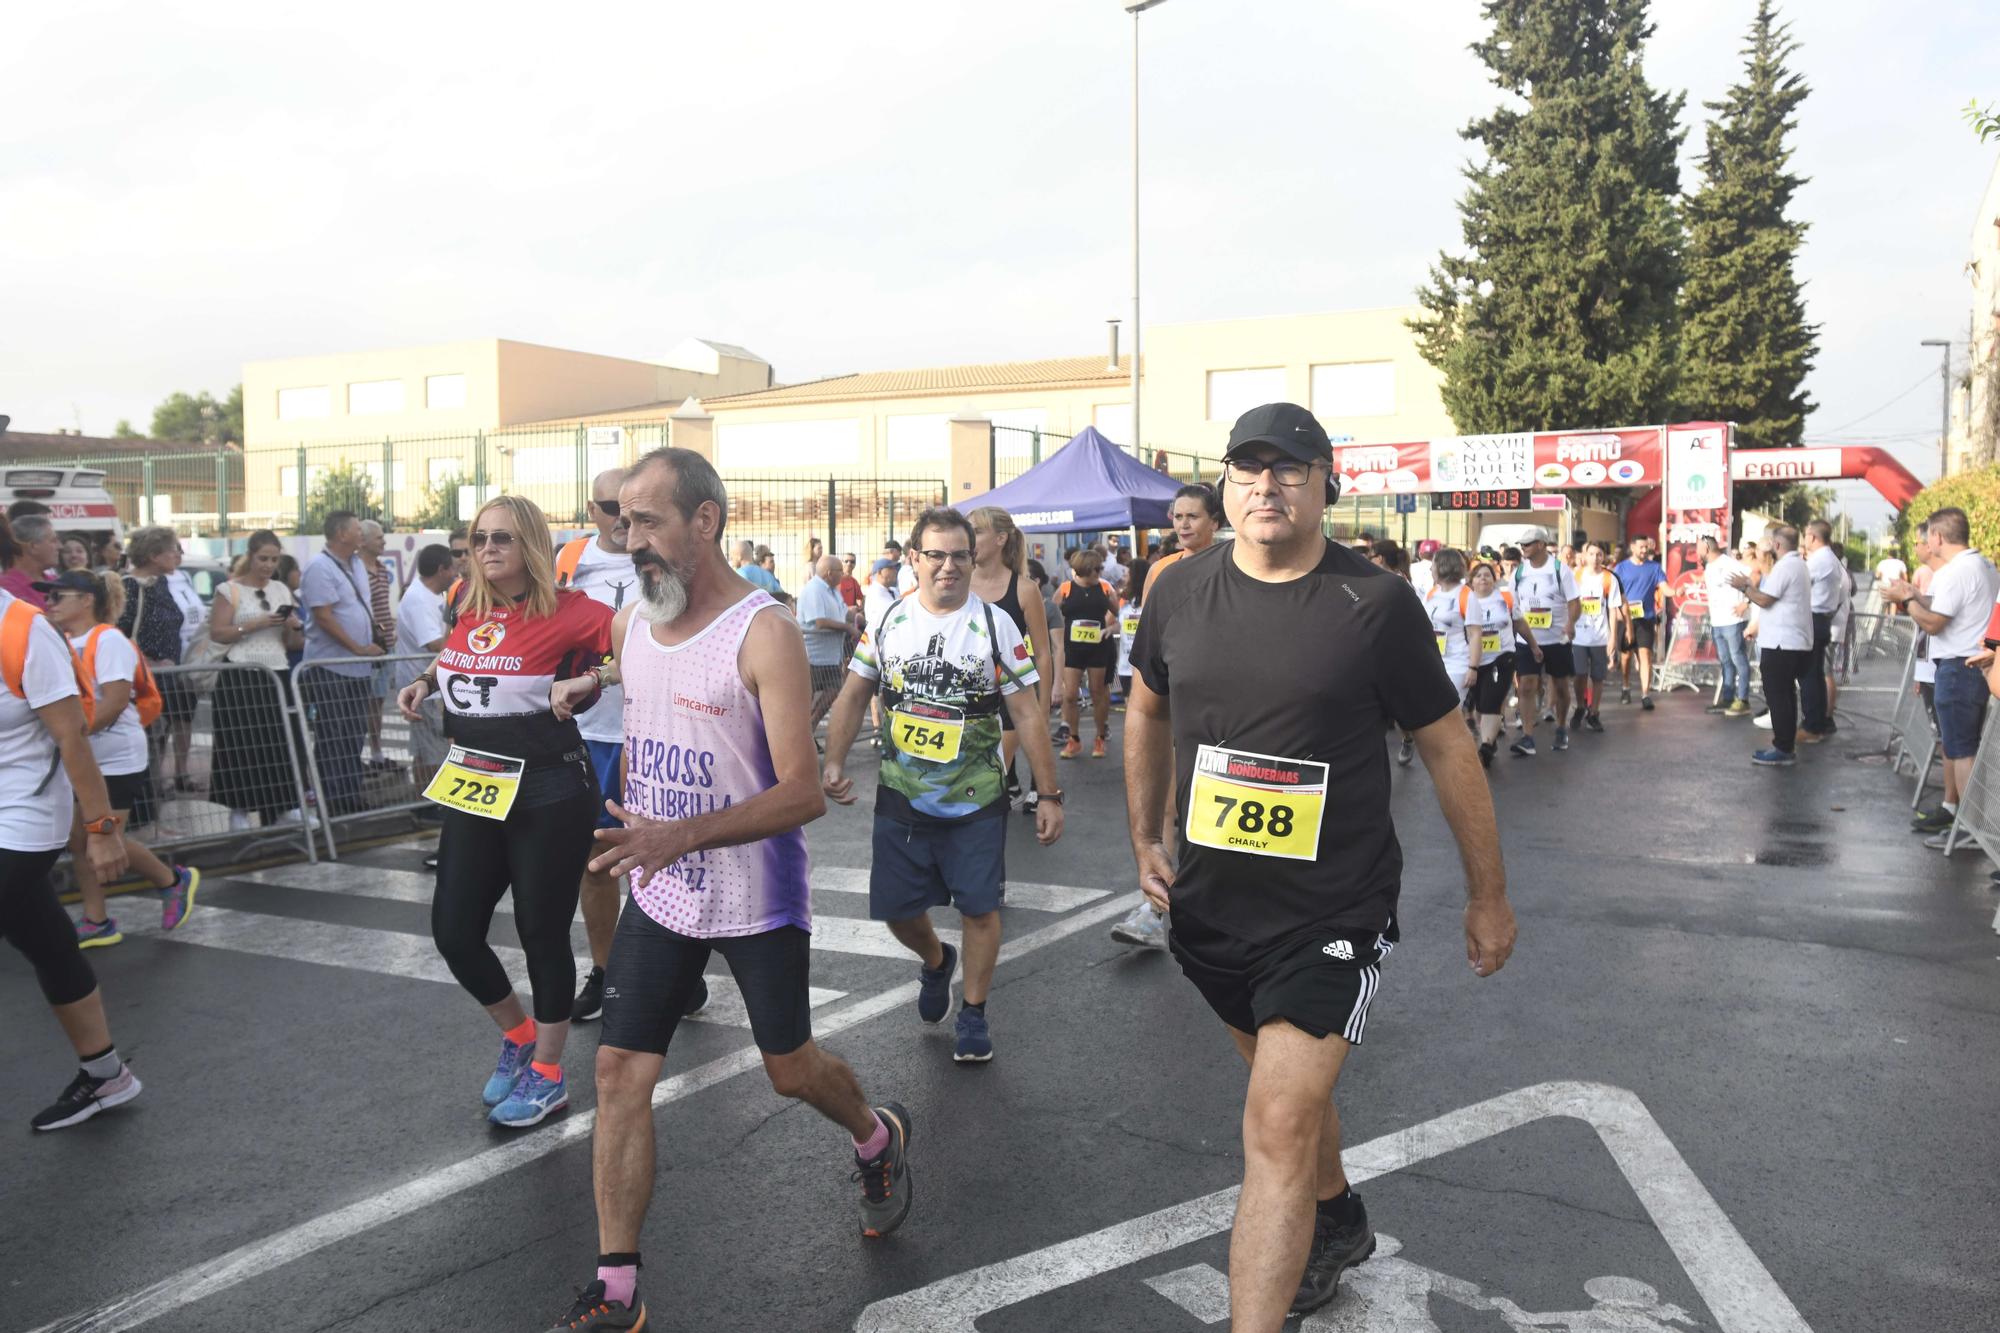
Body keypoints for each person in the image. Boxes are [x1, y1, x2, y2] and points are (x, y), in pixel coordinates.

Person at [1124, 402, 1515, 1329]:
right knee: (1284, 1091)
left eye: (1289, 469)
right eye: (1248, 468)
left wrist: (1487, 894)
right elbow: (1146, 710)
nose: (1267, 485)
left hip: (1333, 909)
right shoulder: (1178, 591)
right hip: (1212, 911)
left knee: (1276, 1121)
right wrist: (1144, 835)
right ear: (1226, 484)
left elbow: (1451, 747)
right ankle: (1336, 1220)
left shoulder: (1372, 604)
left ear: (1324, 486)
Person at [551, 449, 916, 1328]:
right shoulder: (631, 624)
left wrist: (676, 830)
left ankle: (875, 1134)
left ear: (704, 521)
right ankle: (618, 1289)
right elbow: (646, 722)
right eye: (618, 518)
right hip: (662, 890)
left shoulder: (765, 632)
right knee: (615, 1074)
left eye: (645, 521)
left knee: (790, 1071)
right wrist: (638, 801)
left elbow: (800, 792)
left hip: (756, 894)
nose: (625, 537)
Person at [395, 495, 614, 1129]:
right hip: (474, 780)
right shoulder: (466, 597)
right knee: (454, 929)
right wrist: (429, 679)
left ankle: (548, 1074)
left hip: (548, 788)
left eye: (504, 539)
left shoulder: (577, 613)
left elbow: (640, 651)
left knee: (540, 931)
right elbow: (466, 652)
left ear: (533, 548)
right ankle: (518, 1036)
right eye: (480, 538)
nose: (488, 549)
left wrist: (593, 681)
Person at [822, 506, 1064, 1065]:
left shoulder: (995, 624)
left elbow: (1025, 714)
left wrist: (1048, 793)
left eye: (960, 554)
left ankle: (974, 1013)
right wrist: (833, 762)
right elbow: (856, 692)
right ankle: (936, 961)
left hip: (978, 796)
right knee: (896, 909)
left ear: (972, 556)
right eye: (936, 555)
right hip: (902, 795)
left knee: (980, 908)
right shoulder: (890, 622)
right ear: (914, 559)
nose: (949, 566)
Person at [2, 569, 149, 1132]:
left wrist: (102, 827)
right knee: (46, 941)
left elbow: (70, 734)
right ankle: (105, 1074)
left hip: (22, 815)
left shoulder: (22, 627)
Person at [42, 569, 199, 945]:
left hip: (116, 757)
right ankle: (97, 920)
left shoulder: (107, 639)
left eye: (58, 596)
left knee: (103, 836)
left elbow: (112, 702)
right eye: (49, 597)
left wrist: (72, 736)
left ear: (86, 600)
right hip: (82, 755)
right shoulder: (59, 640)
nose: (50, 604)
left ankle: (173, 880)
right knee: (83, 840)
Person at [1879, 508, 2000, 844]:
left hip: (1959, 668)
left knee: (1961, 750)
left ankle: (1970, 828)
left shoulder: (1953, 572)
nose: (1926, 541)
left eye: (1928, 535)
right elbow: (1946, 605)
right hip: (1973, 667)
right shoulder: (1981, 564)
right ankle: (1968, 822)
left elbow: (1934, 622)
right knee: (1964, 747)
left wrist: (1906, 601)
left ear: (1938, 537)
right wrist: (1916, 595)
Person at [208, 530, 307, 829]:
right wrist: (254, 625)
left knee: (280, 742)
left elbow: (292, 644)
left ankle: (281, 807)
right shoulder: (229, 590)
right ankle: (238, 810)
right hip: (240, 674)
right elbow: (218, 632)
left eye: (274, 559)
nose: (268, 565)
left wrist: (293, 626)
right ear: (250, 557)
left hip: (276, 672)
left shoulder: (280, 589)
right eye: (263, 558)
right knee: (240, 744)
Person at [968, 507, 1055, 814]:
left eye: (977, 531)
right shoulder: (958, 583)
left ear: (1001, 539)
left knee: (985, 783)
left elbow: (1043, 653)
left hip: (1009, 700)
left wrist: (1042, 708)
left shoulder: (1024, 589)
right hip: (963, 699)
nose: (970, 538)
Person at [299, 511, 384, 816]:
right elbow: (323, 617)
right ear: (341, 534)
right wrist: (358, 648)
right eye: (356, 529)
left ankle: (350, 792)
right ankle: (330, 798)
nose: (361, 534)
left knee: (353, 732)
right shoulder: (319, 567)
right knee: (332, 733)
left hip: (356, 667)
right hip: (331, 665)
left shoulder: (357, 564)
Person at [1728, 525, 1813, 766]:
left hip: (1781, 643)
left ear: (1777, 545)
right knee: (1785, 695)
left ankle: (1783, 747)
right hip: (1789, 641)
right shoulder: (1797, 565)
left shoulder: (1785, 567)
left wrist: (1745, 587)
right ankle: (1785, 744)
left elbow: (1764, 599)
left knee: (1779, 696)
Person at [1508, 529, 1579, 757]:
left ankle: (1561, 728)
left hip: (1557, 639)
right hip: (1527, 639)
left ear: (1541, 545)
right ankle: (1528, 736)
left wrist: (1570, 624)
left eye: (1528, 544)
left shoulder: (1560, 570)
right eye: (1522, 544)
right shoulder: (1518, 573)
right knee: (1527, 685)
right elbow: (1512, 604)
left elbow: (1574, 602)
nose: (1523, 548)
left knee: (1559, 686)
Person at [393, 543, 457, 787]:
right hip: (425, 689)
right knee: (433, 750)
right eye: (452, 568)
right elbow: (434, 644)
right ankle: (429, 802)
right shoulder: (420, 599)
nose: (455, 575)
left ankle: (424, 801)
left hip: (427, 687)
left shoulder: (428, 595)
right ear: (442, 569)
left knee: (428, 748)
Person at [1465, 560, 1536, 768]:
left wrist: (1533, 645)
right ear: (1472, 581)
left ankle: (1486, 746)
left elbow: (1520, 623)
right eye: (1478, 575)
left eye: (1487, 575)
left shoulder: (1505, 598)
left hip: (1502, 657)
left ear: (1494, 580)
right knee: (1481, 703)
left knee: (1492, 702)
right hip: (1475, 660)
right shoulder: (1466, 600)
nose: (1483, 578)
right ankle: (1490, 739)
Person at [1055, 546, 1120, 759]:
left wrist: (1109, 629)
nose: (1100, 573)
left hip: (1098, 648)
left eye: (1101, 569)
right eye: (1096, 569)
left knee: (1097, 692)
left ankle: (1100, 737)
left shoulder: (1104, 588)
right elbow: (1053, 616)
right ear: (1085, 569)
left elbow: (1119, 614)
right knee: (1070, 695)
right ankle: (1074, 739)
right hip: (1072, 648)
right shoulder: (1065, 589)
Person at [798, 553, 858, 726]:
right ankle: (804, 730)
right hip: (813, 655)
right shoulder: (814, 590)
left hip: (831, 656)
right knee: (805, 698)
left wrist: (862, 622)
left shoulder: (833, 591)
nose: (843, 573)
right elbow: (820, 622)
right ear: (829, 572)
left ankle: (811, 726)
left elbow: (844, 612)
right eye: (840, 570)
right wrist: (848, 628)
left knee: (833, 690)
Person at [1566, 541, 1620, 733]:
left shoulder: (1609, 579)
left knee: (1598, 677)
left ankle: (1594, 713)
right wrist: (1569, 626)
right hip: (1579, 636)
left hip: (1600, 636)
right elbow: (1569, 604)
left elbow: (1613, 609)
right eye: (1592, 554)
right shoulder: (1576, 576)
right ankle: (1581, 706)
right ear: (1585, 556)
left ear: (1603, 557)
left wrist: (1612, 637)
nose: (1595, 558)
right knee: (1579, 675)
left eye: (1599, 554)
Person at [358, 519, 399, 770]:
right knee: (363, 700)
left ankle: (376, 751)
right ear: (363, 541)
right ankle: (360, 752)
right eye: (379, 538)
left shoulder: (382, 569)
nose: (383, 542)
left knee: (379, 700)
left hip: (387, 643)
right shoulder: (357, 571)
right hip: (369, 645)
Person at [1423, 549, 1480, 713]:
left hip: (1457, 664)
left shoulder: (1466, 595)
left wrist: (1473, 668)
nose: (1430, 569)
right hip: (1434, 663)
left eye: (1433, 564)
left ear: (1442, 566)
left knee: (1450, 713)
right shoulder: (1432, 592)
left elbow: (1475, 634)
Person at [1800, 519, 1843, 737]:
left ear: (1813, 537)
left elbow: (1798, 585)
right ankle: (1817, 722)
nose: (1804, 539)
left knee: (1809, 674)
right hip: (1820, 620)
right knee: (1814, 674)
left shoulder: (1820, 560)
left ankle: (1812, 725)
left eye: (1806, 534)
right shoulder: (1828, 558)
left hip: (1815, 619)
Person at [1613, 535, 1665, 709]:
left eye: (1646, 547)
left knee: (1645, 656)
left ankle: (1645, 694)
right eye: (1641, 547)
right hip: (1625, 618)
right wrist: (1617, 612)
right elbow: (1613, 595)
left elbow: (1665, 587)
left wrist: (1676, 591)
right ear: (1632, 547)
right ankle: (1626, 686)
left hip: (1646, 618)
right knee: (1626, 657)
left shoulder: (1655, 567)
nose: (1644, 550)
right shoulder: (1620, 568)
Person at [2, 512, 58, 607]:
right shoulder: (5, 588)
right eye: (53, 541)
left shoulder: (57, 582)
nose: (60, 546)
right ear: (33, 546)